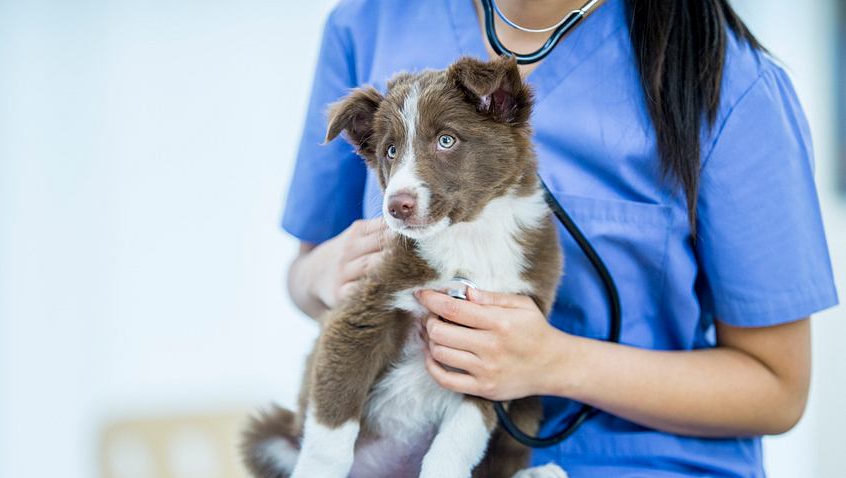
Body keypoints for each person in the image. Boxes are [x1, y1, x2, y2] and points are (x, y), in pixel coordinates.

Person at [280, 0, 839, 476]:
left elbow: (778, 388)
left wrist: (555, 362)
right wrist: (321, 276)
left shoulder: (730, 81)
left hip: (641, 462)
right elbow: (306, 279)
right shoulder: (371, 21)